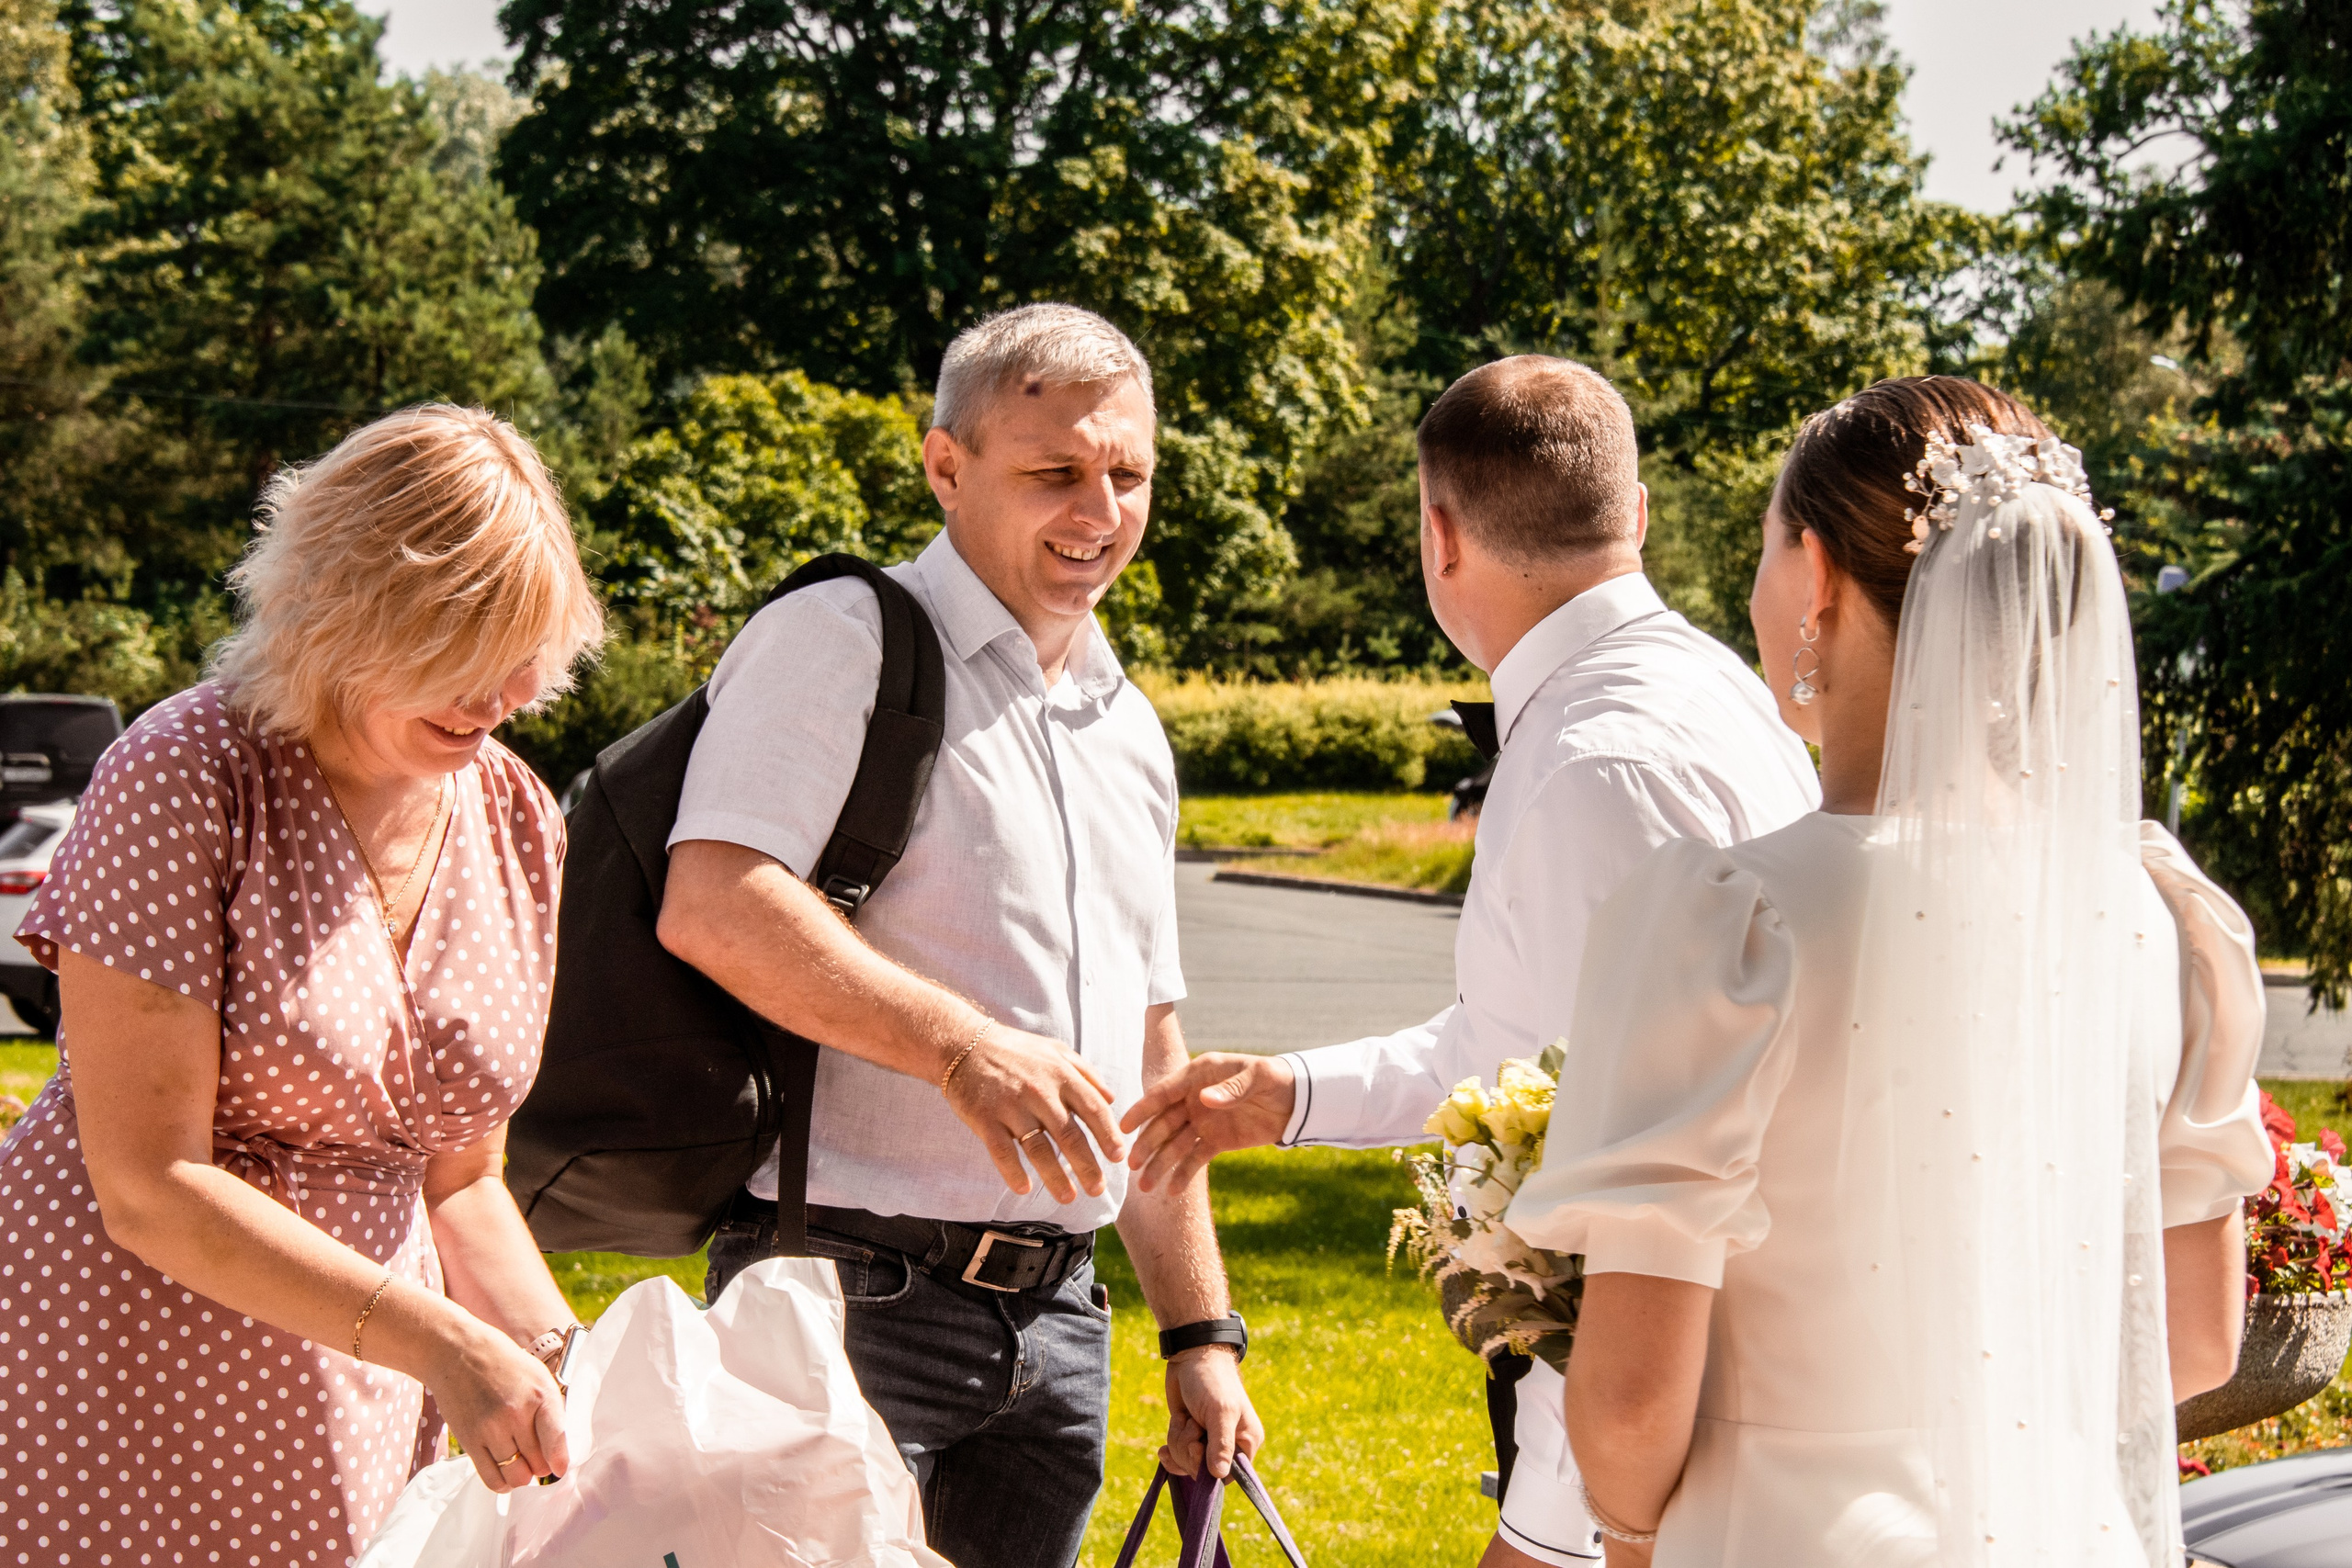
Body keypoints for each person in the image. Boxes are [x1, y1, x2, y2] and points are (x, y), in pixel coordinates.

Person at [1504, 378, 2275, 1566]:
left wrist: (1634, 1527)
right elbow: (2195, 1334)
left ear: (1815, 576)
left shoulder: (1728, 920)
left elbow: (1626, 1405)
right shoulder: (2160, 912)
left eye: (1767, 548)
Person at [1122, 355, 1822, 1565]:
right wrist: (1296, 1094)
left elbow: (1616, 1184)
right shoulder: (1707, 687)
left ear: (1439, 535)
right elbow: (1524, 1056)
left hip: (1654, 1448)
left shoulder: (1597, 764)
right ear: (1637, 513)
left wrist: (1546, 1524)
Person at [657, 303, 1261, 1568]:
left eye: (1130, 473)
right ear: (945, 466)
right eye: (1055, 472)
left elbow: (1149, 1056)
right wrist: (960, 1044)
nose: (1100, 508)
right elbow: (713, 898)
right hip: (843, 1298)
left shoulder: (1128, 725)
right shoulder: (840, 641)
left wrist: (1201, 1331)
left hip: (1060, 1325)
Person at [0, 405, 606, 1564]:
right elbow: (147, 1182)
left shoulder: (517, 812)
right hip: (120, 1375)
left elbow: (461, 1183)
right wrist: (437, 1341)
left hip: (371, 1392)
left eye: (521, 657)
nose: (496, 700)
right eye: (458, 655)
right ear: (340, 613)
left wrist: (557, 1361)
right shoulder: (184, 776)